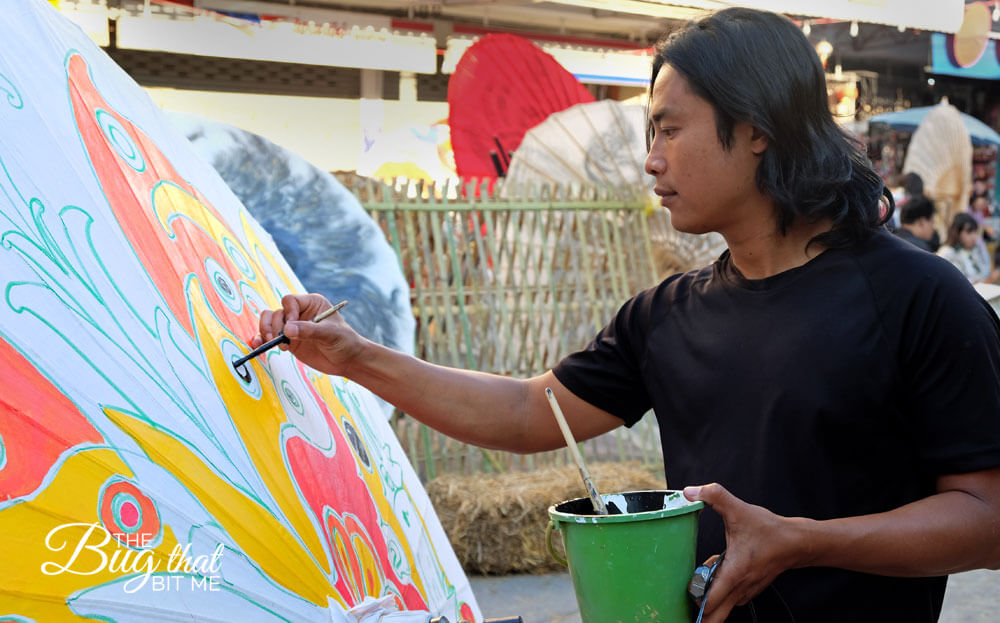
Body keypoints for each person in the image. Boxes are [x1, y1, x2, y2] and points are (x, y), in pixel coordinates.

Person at [253, 8, 1000, 623]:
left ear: (759, 129)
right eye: (650, 134)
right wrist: (355, 357)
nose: (650, 161)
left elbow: (986, 517)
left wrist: (800, 541)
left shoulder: (917, 297)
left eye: (670, 130)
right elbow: (524, 411)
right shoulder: (666, 315)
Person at [938, 212, 992, 283]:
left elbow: (985, 272)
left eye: (975, 232)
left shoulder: (973, 249)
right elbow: (951, 282)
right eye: (969, 232)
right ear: (957, 232)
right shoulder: (946, 252)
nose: (974, 237)